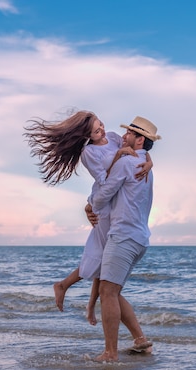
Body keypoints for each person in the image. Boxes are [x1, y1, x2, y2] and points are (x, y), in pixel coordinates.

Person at [23, 110, 152, 325]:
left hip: (114, 202)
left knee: (103, 261)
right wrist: (119, 158)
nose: (102, 130)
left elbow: (139, 146)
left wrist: (149, 161)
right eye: (95, 130)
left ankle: (84, 301)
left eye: (100, 124)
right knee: (100, 258)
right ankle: (69, 290)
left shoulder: (112, 137)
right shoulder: (89, 153)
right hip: (105, 203)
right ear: (87, 135)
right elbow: (104, 179)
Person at [90, 116, 161, 362]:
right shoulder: (145, 165)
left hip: (123, 236)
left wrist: (90, 203)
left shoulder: (127, 162)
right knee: (112, 290)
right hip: (139, 238)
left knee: (107, 292)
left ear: (140, 139)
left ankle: (110, 353)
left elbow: (101, 198)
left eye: (130, 133)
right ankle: (140, 341)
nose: (124, 136)